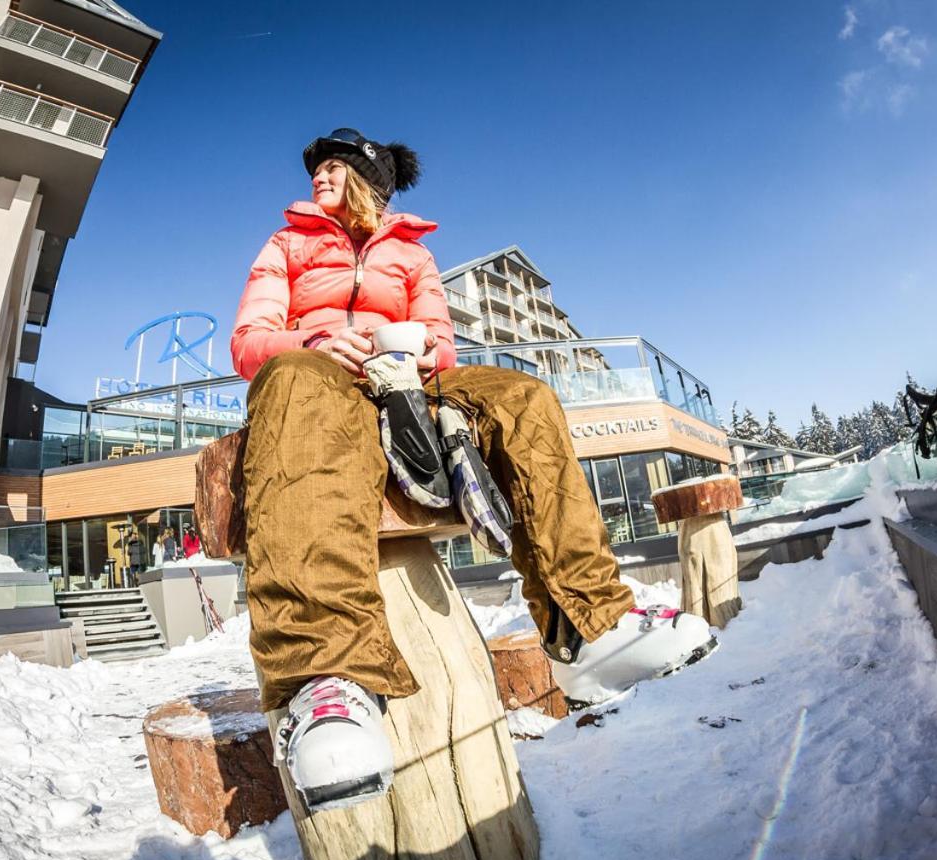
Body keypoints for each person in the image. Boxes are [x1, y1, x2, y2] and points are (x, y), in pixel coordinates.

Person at [232, 128, 715, 810]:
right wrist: (312, 340)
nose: (318, 176)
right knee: (291, 379)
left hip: (407, 385)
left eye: (335, 168)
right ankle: (329, 682)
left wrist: (428, 354)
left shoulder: (412, 254)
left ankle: (585, 628)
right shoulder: (287, 245)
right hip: (321, 377)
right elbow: (249, 342)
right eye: (317, 169)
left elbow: (442, 342)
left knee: (523, 399)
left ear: (369, 183)